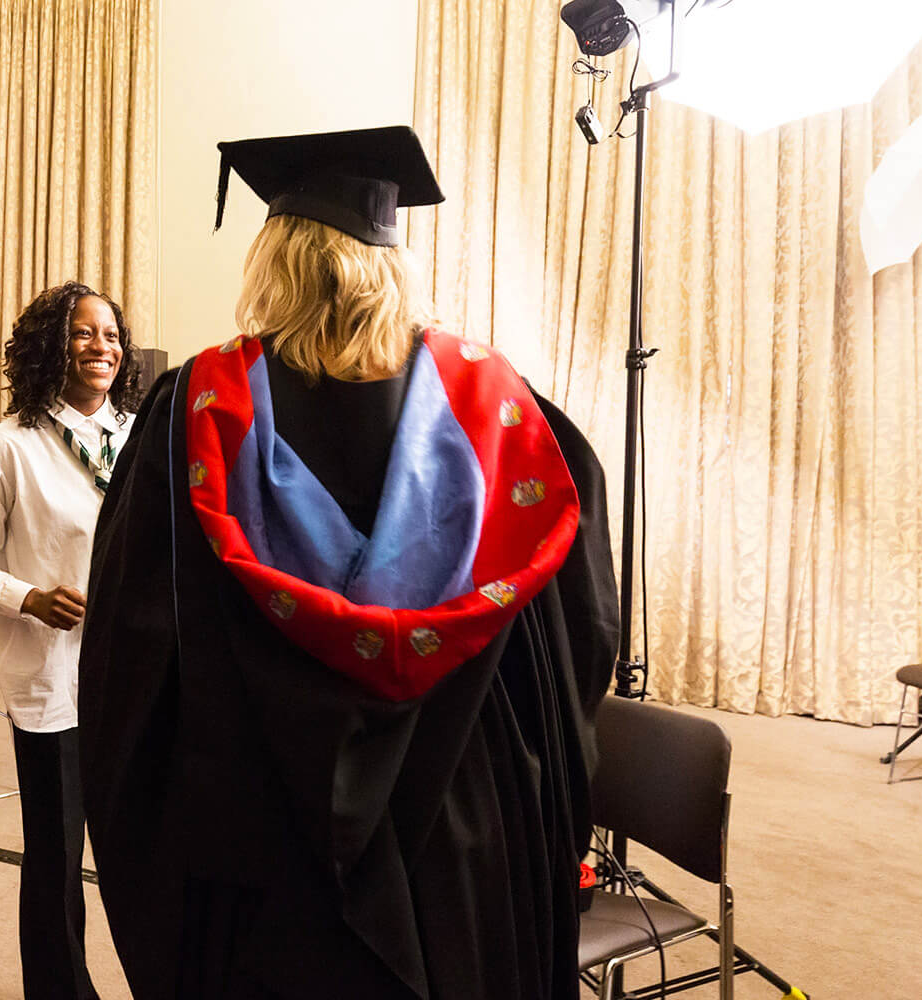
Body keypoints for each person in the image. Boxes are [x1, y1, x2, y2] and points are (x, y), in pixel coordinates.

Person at [79, 126, 619, 999]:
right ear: (392, 261)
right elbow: (583, 637)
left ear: (271, 262)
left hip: (260, 824)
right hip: (461, 823)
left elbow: (128, 652)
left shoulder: (192, 412)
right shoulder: (507, 413)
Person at [0, 280, 142, 1000]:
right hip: (52, 677)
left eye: (112, 335)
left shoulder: (138, 436)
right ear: (50, 346)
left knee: (140, 848)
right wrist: (27, 596)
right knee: (57, 854)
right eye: (85, 333)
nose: (103, 348)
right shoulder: (5, 448)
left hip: (135, 672)